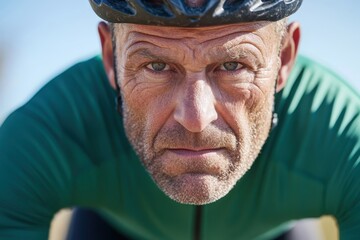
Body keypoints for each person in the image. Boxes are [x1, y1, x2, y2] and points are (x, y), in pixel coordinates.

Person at [0, 0, 359, 239]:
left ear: (283, 59)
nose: (196, 118)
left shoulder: (342, 137)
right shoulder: (50, 132)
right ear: (111, 57)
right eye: (156, 65)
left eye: (232, 65)